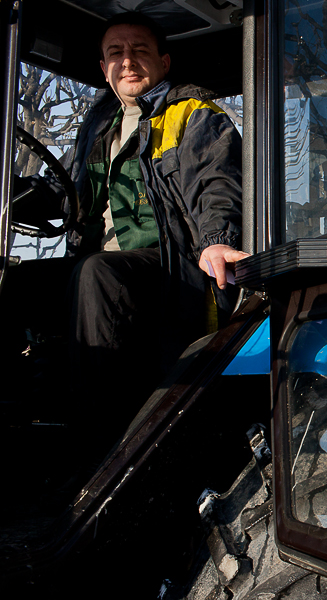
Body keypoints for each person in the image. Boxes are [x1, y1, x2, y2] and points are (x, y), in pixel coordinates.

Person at [15, 12, 247, 411]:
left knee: (96, 273)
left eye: (139, 51)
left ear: (164, 62)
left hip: (170, 266)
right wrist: (12, 194)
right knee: (16, 283)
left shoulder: (191, 114)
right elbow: (60, 190)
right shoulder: (97, 127)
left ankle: (99, 429)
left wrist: (218, 241)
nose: (127, 61)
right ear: (103, 69)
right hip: (102, 265)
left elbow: (216, 181)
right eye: (116, 53)